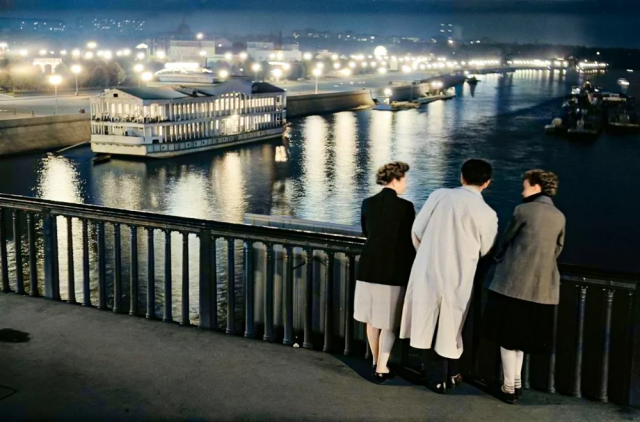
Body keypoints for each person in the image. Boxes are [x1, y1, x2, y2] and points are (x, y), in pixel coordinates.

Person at [400, 159, 498, 394]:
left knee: (427, 321)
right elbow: (486, 248)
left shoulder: (440, 196)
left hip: (429, 268)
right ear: (487, 183)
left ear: (462, 177)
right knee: (452, 324)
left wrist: (426, 253)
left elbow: (417, 229)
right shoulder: (487, 213)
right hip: (460, 274)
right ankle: (451, 373)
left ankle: (437, 378)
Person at [482, 170, 565, 404]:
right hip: (541, 288)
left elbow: (506, 240)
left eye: (525, 185)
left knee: (507, 336)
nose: (522, 190)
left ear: (536, 186)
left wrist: (497, 258)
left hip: (514, 283)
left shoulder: (523, 210)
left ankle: (509, 387)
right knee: (521, 339)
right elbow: (558, 248)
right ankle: (516, 383)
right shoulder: (559, 216)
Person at [355, 161, 416, 384]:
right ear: (396, 179)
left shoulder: (367, 203)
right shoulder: (405, 207)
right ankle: (382, 367)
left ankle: (375, 361)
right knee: (389, 321)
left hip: (368, 266)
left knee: (371, 319)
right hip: (393, 268)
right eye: (404, 179)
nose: (405, 183)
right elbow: (409, 239)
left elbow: (366, 231)